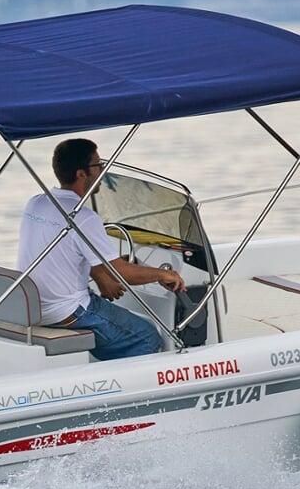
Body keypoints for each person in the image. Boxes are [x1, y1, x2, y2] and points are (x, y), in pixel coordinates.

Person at [18, 138, 186, 360]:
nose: (103, 171)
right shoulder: (83, 217)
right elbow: (121, 273)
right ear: (81, 174)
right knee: (146, 337)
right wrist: (163, 274)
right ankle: (127, 390)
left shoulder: (37, 203)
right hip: (68, 311)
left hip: (34, 306)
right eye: (99, 165)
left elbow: (65, 252)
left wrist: (99, 274)